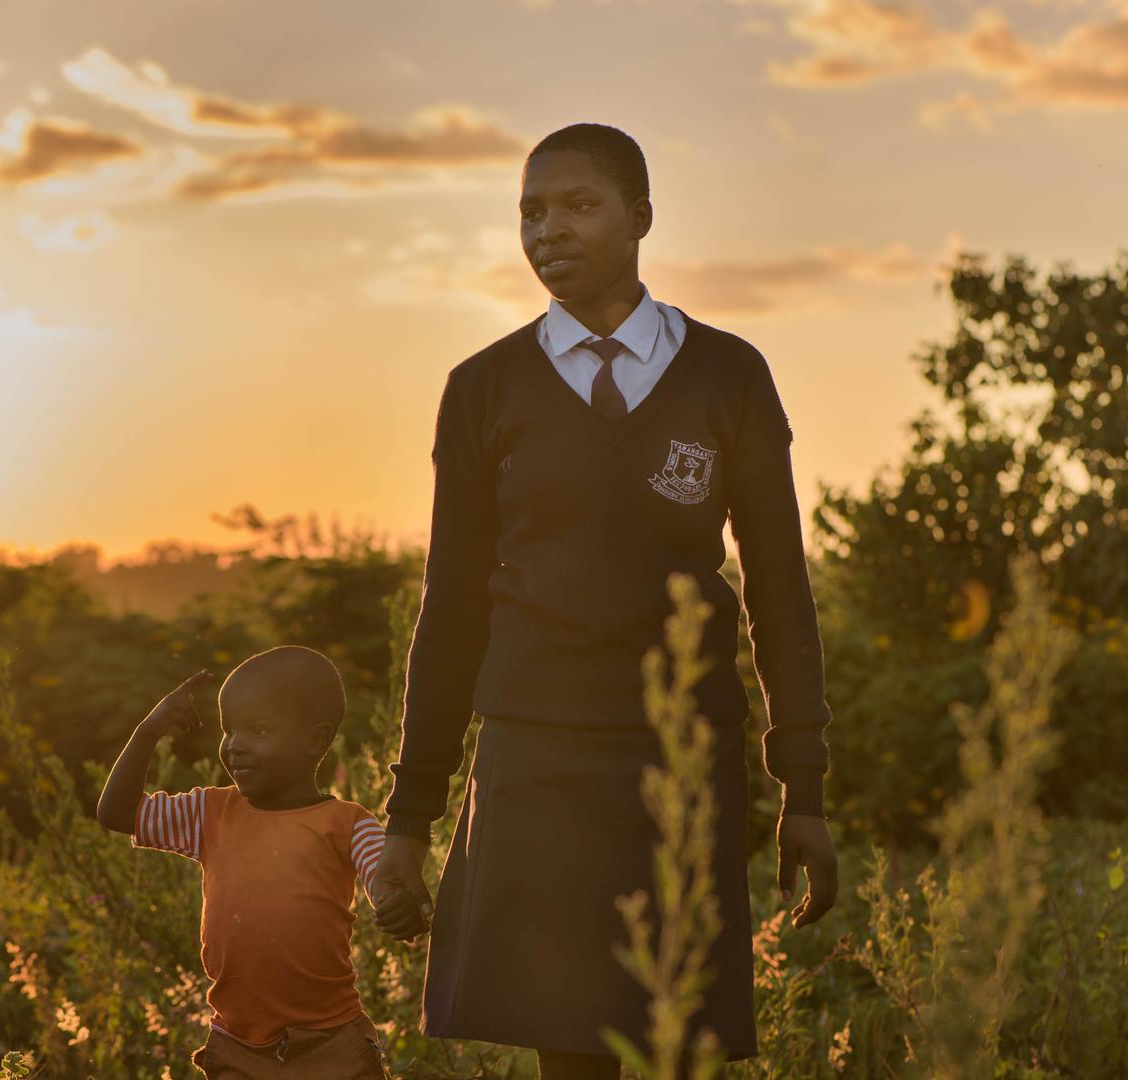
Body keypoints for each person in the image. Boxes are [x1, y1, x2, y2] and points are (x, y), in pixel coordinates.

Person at [370, 123, 840, 1079]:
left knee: (672, 1049)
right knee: (571, 1063)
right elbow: (450, 608)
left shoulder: (727, 375)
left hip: (680, 761)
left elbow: (779, 592)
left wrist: (805, 788)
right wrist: (409, 819)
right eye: (529, 212)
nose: (547, 231)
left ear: (640, 218)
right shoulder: (482, 389)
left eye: (576, 206)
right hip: (534, 754)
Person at [97, 647, 410, 1079]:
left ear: (316, 740)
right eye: (229, 731)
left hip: (331, 1046)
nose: (235, 747)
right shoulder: (208, 813)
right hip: (237, 1047)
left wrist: (396, 903)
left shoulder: (347, 824)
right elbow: (116, 813)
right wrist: (147, 732)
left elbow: (383, 878)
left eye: (259, 730)